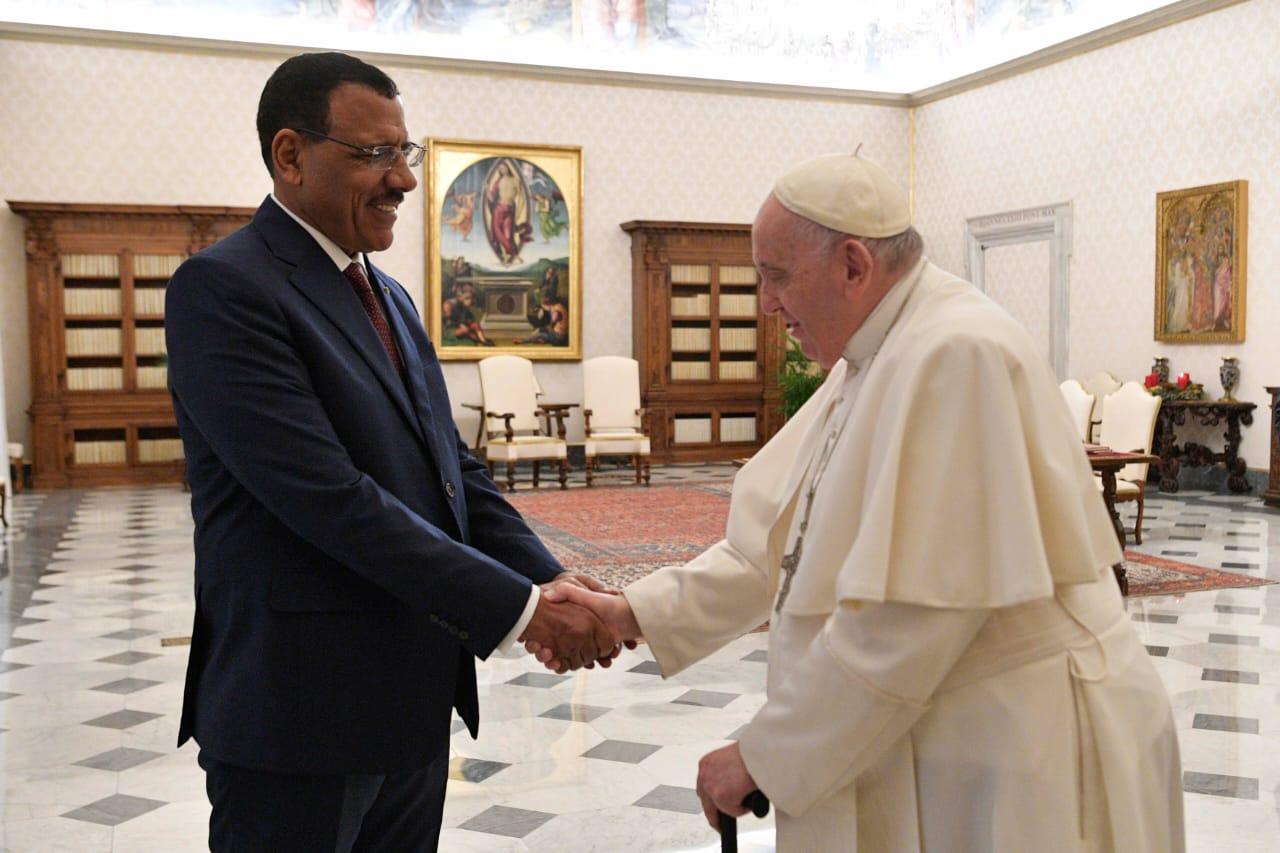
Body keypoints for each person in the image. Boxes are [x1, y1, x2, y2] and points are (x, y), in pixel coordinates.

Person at [537, 153, 1185, 850]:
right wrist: (632, 609)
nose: (767, 304)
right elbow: (784, 545)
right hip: (962, 730)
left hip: (1029, 742)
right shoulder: (879, 349)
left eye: (777, 276)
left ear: (852, 265)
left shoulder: (952, 350)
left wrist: (766, 754)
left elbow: (909, 618)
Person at [165, 51, 616, 852]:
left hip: (408, 709)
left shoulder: (392, 296)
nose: (404, 180)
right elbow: (330, 499)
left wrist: (544, 571)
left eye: (403, 153)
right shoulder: (225, 289)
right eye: (374, 155)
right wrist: (522, 611)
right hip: (297, 718)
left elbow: (454, 472)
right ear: (291, 155)